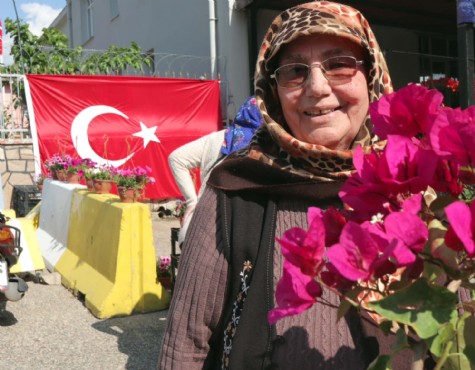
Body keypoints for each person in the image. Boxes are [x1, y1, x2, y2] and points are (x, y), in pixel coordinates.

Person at [159, 2, 401, 369]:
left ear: (371, 75)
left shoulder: (409, 185)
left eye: (339, 64)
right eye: (294, 72)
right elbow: (186, 344)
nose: (317, 88)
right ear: (272, 92)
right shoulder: (237, 187)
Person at [167, 96, 261, 245]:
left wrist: (192, 201)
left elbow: (176, 158)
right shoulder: (260, 153)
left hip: (197, 225)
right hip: (231, 232)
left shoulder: (216, 138)